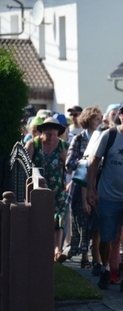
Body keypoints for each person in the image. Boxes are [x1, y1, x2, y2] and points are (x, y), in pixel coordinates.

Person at [86, 100, 123, 291]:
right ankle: (106, 268)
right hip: (108, 196)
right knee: (107, 238)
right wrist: (91, 188)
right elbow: (94, 162)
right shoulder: (109, 135)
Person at [25, 116, 68, 262]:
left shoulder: (63, 146)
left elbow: (70, 169)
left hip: (58, 190)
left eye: (55, 135)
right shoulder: (33, 144)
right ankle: (40, 249)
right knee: (40, 219)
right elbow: (25, 168)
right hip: (38, 190)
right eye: (49, 135)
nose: (51, 138)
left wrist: (65, 160)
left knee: (59, 218)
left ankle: (57, 250)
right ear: (42, 132)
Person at [65, 106, 103, 269]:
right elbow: (68, 164)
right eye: (96, 119)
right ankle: (84, 256)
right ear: (88, 120)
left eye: (101, 118)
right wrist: (85, 162)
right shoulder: (79, 139)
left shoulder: (103, 137)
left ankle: (97, 258)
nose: (100, 121)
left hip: (99, 186)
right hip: (80, 187)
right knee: (82, 223)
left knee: (96, 225)